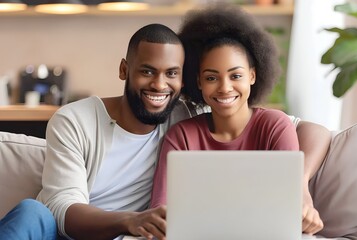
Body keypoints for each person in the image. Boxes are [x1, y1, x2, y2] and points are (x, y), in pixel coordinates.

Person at [0, 22, 325, 240]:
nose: (159, 84)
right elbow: (60, 209)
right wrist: (128, 220)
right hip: (72, 233)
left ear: (184, 81)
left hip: (134, 236)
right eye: (146, 71)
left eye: (171, 73)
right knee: (31, 211)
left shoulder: (185, 115)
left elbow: (313, 131)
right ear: (124, 70)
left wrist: (297, 184)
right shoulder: (75, 120)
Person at [150, 4, 327, 238]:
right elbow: (159, 211)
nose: (225, 88)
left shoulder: (274, 126)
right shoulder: (181, 136)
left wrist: (301, 191)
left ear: (252, 76)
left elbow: (287, 202)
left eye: (236, 76)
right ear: (198, 81)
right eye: (212, 77)